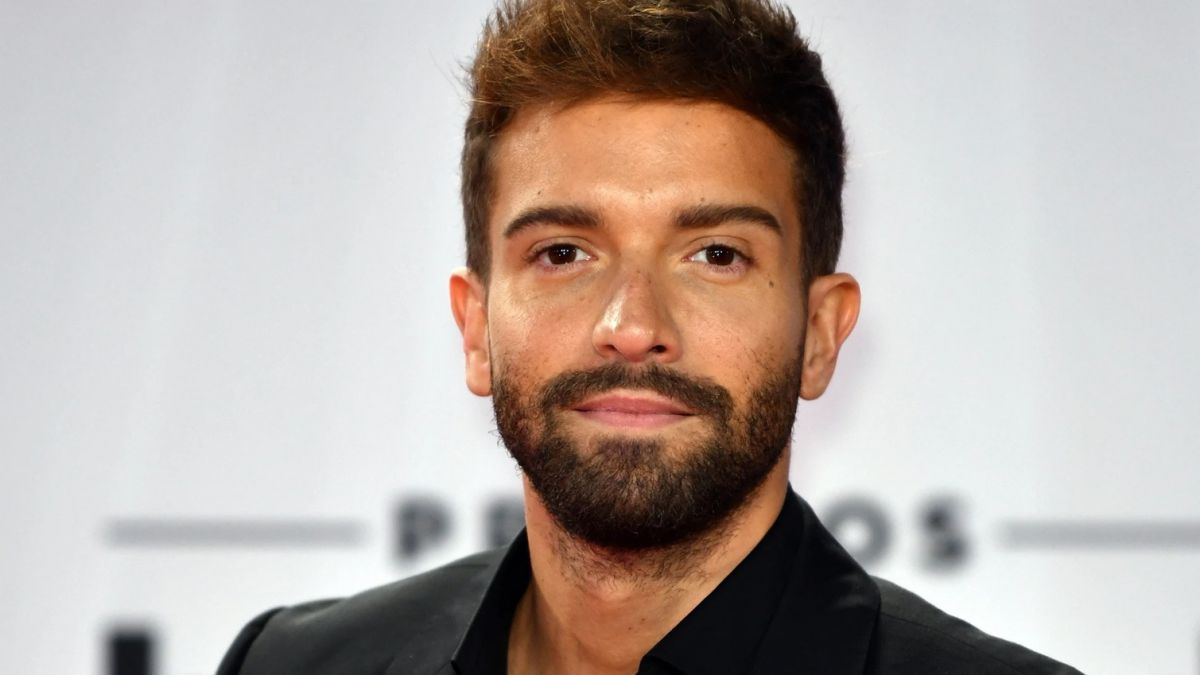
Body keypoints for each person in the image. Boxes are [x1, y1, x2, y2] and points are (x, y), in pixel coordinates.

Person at [218, 1, 1083, 673]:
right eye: (563, 253)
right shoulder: (290, 665)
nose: (632, 328)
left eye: (716, 255)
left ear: (820, 334)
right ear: (475, 326)